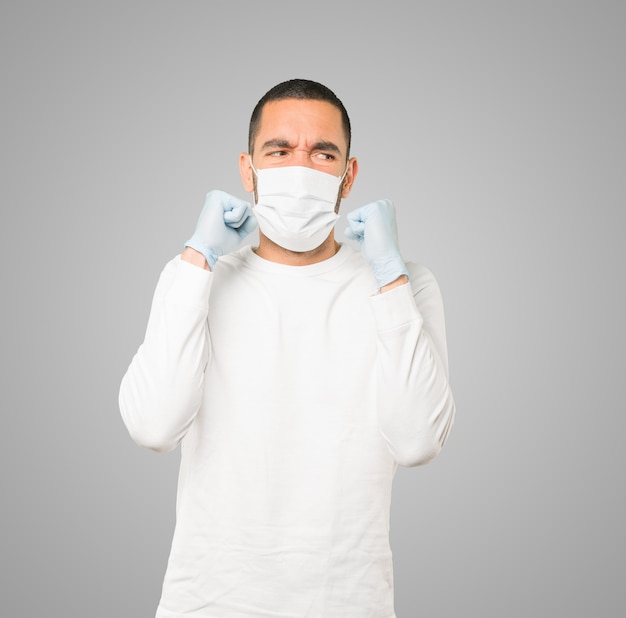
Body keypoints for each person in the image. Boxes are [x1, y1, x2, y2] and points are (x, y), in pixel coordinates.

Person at [119, 78, 455, 618]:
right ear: (247, 170)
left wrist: (389, 279)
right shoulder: (195, 278)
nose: (300, 169)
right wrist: (197, 259)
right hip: (207, 603)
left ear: (349, 176)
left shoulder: (406, 285)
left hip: (349, 604)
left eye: (323, 153)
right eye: (279, 151)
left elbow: (416, 441)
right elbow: (152, 426)